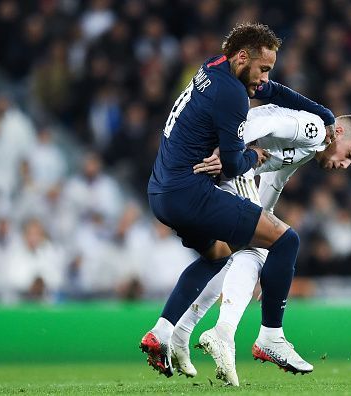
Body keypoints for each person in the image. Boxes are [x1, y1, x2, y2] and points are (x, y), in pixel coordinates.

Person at [140, 23, 336, 377]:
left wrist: (324, 114)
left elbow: (274, 91)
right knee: (284, 239)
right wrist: (254, 155)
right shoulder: (232, 94)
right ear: (243, 57)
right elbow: (231, 164)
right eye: (263, 68)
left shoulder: (214, 67)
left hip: (161, 192)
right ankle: (270, 337)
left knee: (218, 254)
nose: (264, 78)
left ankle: (163, 332)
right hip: (190, 192)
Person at [170, 104, 351, 385]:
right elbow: (262, 122)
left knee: (243, 249)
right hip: (223, 160)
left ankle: (182, 331)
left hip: (223, 164)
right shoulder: (315, 130)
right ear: (338, 132)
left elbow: (274, 182)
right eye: (349, 154)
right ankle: (236, 334)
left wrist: (258, 232)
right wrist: (228, 150)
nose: (345, 165)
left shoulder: (307, 149)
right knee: (261, 247)